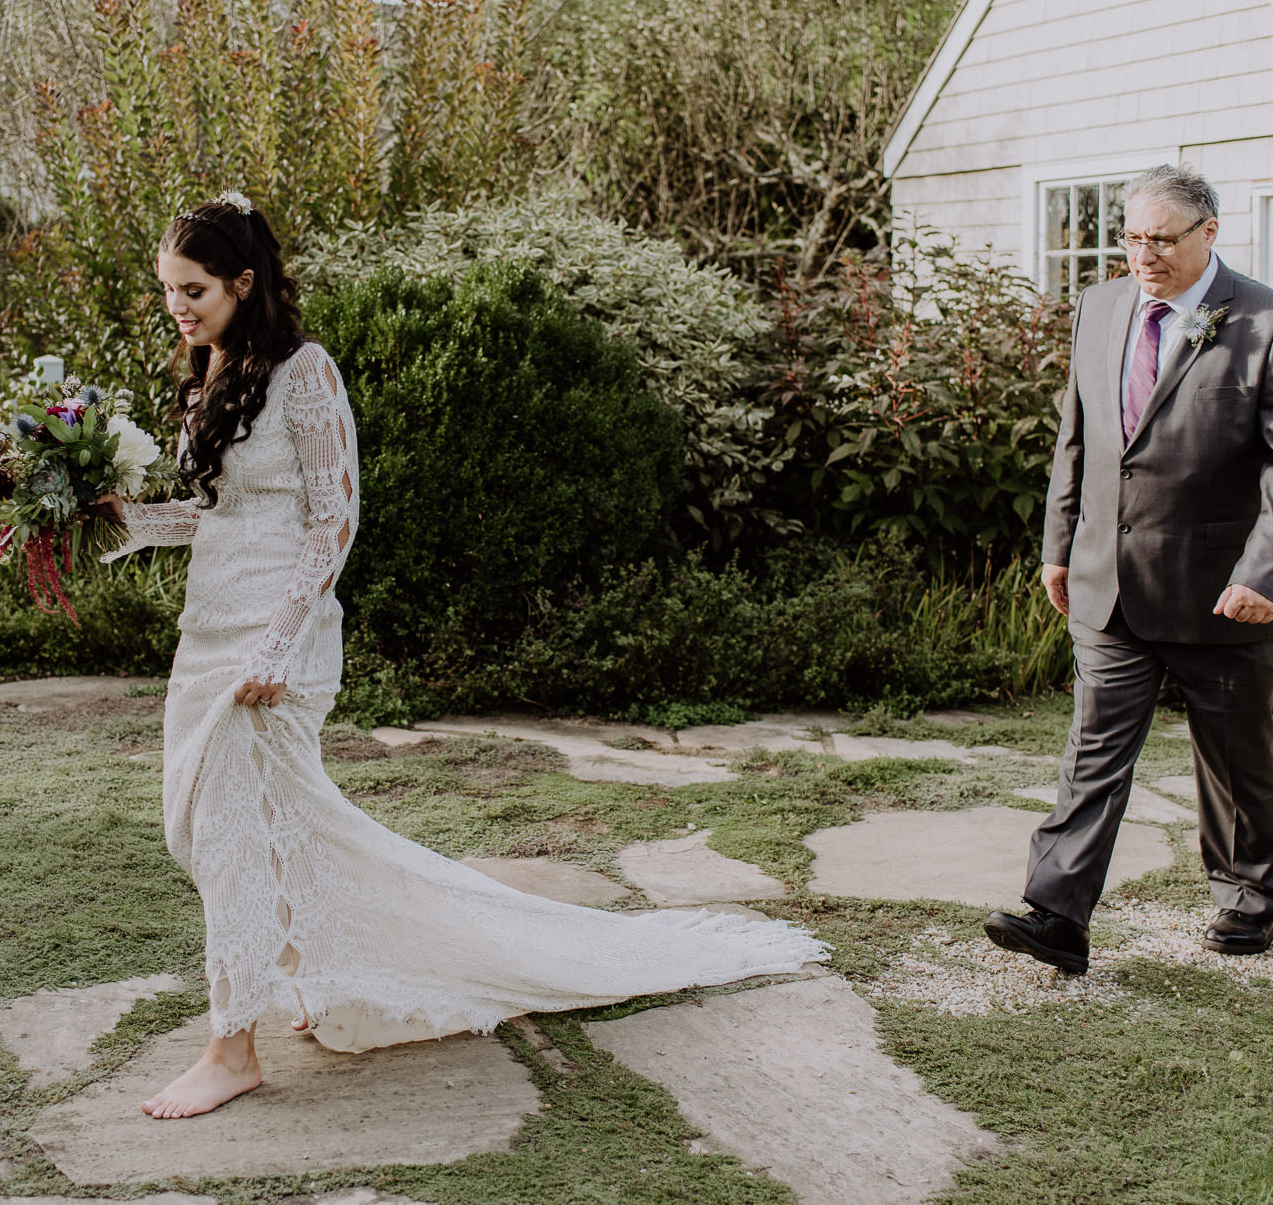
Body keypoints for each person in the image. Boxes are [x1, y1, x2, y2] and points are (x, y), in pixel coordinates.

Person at [87, 195, 826, 1120]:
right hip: (211, 631)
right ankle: (332, 976)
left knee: (237, 833)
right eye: (167, 292)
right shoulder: (211, 371)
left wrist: (279, 641)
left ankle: (231, 1048)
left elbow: (333, 518)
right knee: (223, 827)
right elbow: (217, 514)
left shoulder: (306, 373)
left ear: (244, 282)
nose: (178, 309)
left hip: (279, 641)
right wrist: (126, 524)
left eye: (192, 291)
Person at [983, 164, 1273, 976]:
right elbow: (1078, 435)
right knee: (1093, 750)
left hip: (1225, 593)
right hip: (1110, 582)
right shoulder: (1101, 308)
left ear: (1209, 234)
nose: (1143, 255)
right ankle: (1057, 914)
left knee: (1235, 755)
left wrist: (1265, 572)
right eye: (1133, 238)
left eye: (1161, 240)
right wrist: (1059, 542)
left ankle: (1251, 900)